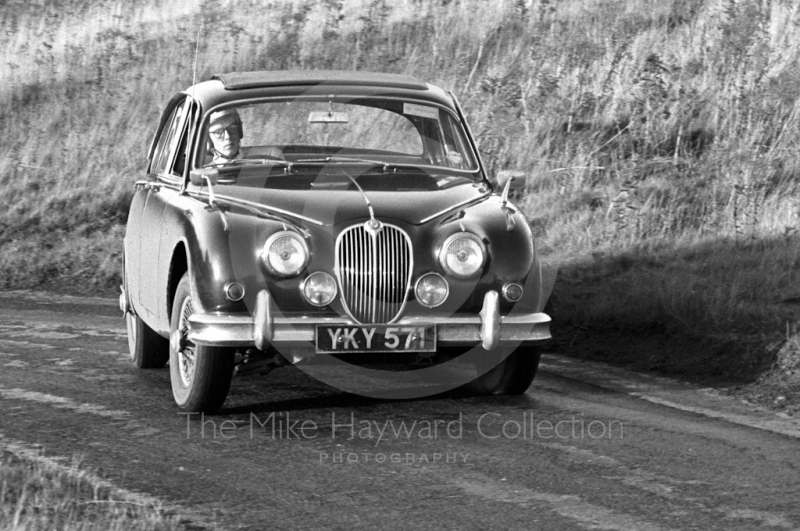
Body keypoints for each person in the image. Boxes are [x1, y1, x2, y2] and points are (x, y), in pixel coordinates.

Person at [207, 107, 282, 165]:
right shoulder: (204, 177)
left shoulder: (271, 156)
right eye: (218, 132)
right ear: (209, 139)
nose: (227, 137)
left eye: (232, 129)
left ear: (239, 131)